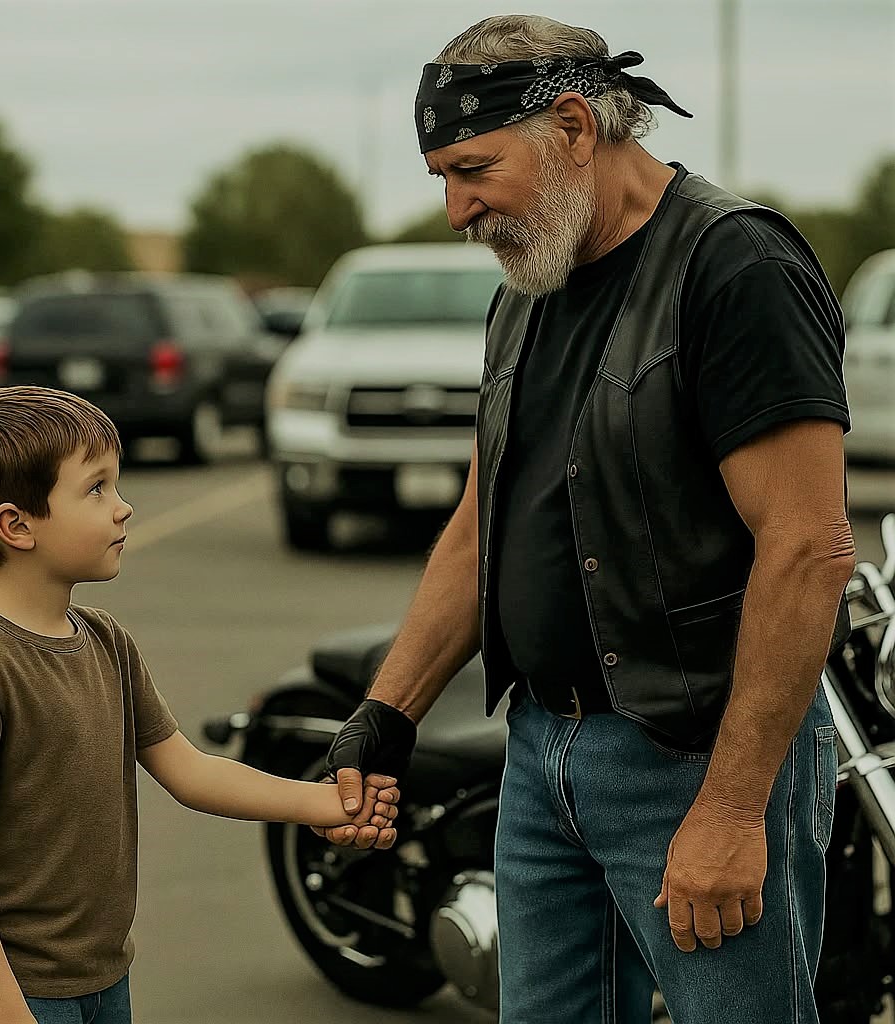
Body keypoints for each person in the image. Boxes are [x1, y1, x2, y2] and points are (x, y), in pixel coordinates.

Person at [319, 14, 855, 1023]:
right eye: (440, 177)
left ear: (573, 126)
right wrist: (386, 713)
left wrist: (732, 807)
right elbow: (483, 521)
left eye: (473, 169)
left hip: (696, 761)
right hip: (538, 753)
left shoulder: (734, 266)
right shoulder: (528, 287)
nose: (455, 210)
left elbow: (808, 547)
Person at [0, 385, 399, 1024]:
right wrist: (0, 1005)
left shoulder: (106, 642)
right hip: (5, 992)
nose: (123, 507)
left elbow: (190, 771)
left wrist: (327, 803)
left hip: (101, 977)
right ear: (17, 525)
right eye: (96, 489)